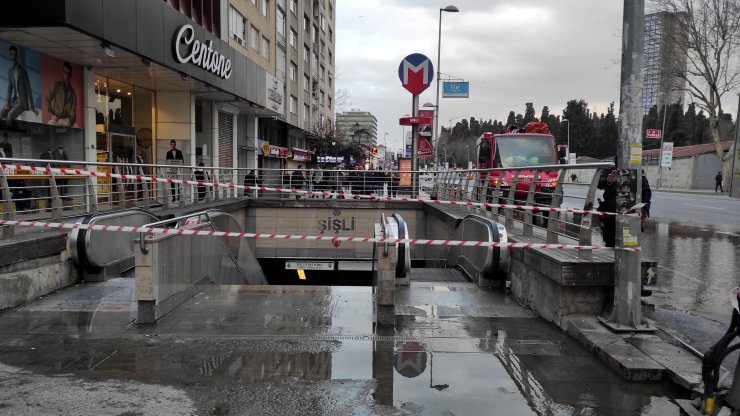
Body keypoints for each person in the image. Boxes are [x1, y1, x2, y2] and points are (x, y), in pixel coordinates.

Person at [2, 45, 38, 124]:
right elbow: (10, 87)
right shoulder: (10, 71)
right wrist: (7, 101)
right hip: (14, 100)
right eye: (11, 54)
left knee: (10, 115)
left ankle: (9, 134)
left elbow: (28, 89)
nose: (13, 57)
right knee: (2, 113)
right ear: (10, 55)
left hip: (22, 102)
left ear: (17, 56)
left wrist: (32, 107)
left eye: (15, 54)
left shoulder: (23, 71)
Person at [46, 62, 77, 127]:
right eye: (65, 72)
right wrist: (51, 114)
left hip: (66, 120)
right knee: (49, 125)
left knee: (76, 128)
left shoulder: (72, 93)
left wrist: (71, 120)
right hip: (56, 118)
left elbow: (73, 110)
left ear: (71, 75)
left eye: (69, 73)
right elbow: (47, 99)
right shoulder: (56, 85)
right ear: (63, 73)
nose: (67, 75)